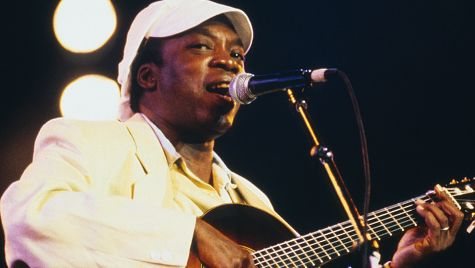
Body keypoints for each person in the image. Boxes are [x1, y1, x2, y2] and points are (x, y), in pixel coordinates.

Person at [0, 0, 464, 267]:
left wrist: (400, 264)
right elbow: (31, 220)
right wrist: (190, 235)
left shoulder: (252, 204)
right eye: (202, 47)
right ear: (148, 77)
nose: (229, 61)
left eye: (237, 54)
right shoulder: (89, 144)